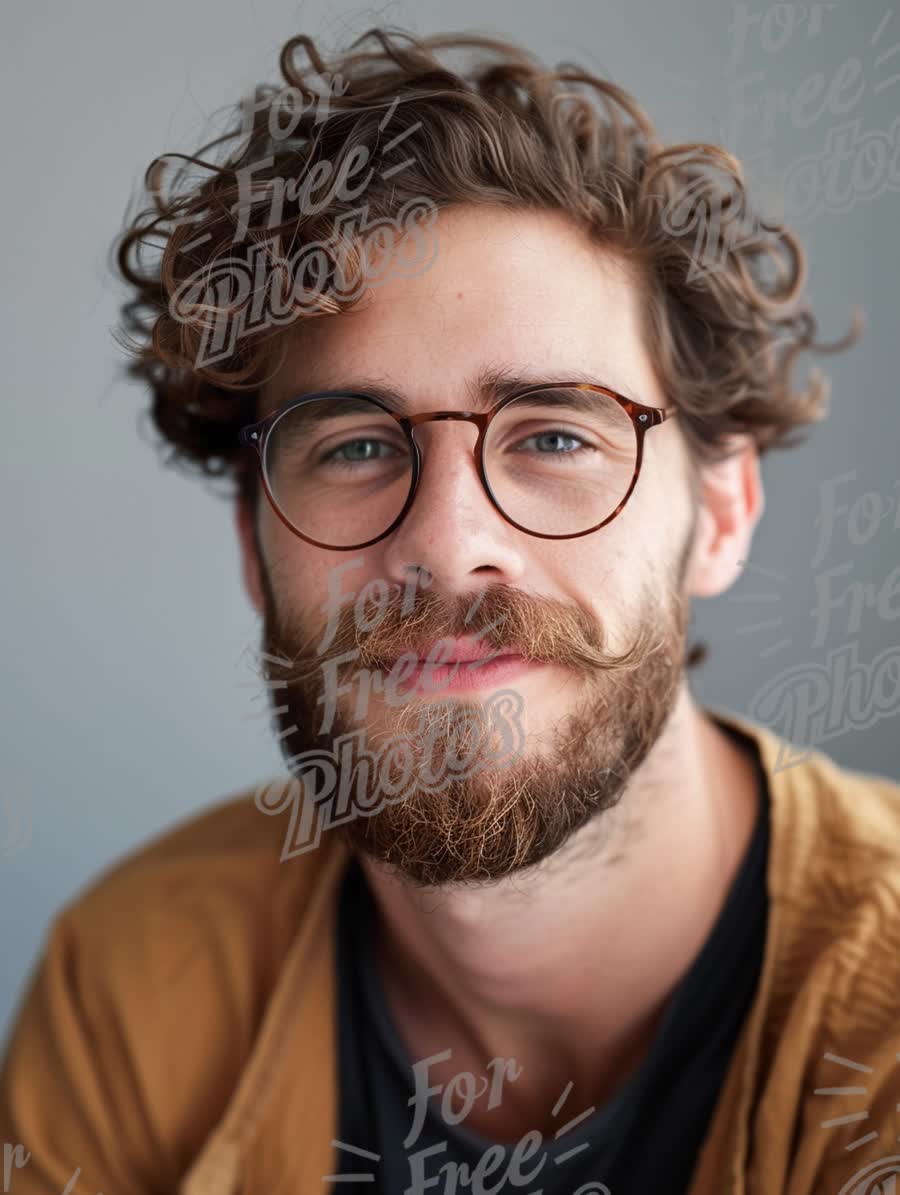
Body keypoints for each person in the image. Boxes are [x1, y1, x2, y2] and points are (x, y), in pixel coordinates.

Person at [2, 26, 898, 1195]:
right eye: (359, 445)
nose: (444, 544)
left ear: (721, 514)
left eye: (557, 436)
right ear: (252, 540)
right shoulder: (133, 974)